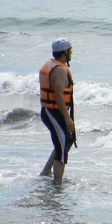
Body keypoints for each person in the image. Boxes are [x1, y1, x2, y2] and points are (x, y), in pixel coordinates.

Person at [39, 38, 76, 184]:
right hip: (53, 113)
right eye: (70, 50)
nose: (71, 53)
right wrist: (67, 119)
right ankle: (57, 186)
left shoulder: (52, 64)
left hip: (51, 112)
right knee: (61, 150)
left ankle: (46, 171)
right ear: (65, 52)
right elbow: (59, 95)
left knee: (66, 141)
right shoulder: (60, 70)